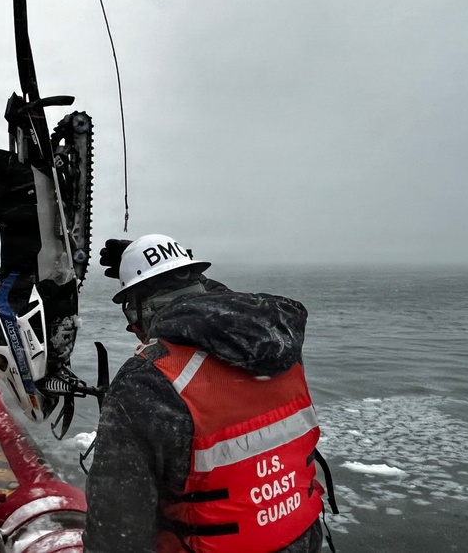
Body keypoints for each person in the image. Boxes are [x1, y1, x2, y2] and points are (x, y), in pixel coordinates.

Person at [83, 234, 331, 553]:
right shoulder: (276, 344)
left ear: (141, 313)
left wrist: (155, 271)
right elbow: (225, 315)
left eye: (132, 314)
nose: (133, 328)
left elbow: (117, 525)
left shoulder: (148, 381)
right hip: (302, 540)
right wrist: (165, 268)